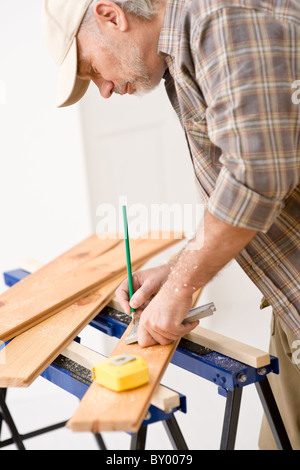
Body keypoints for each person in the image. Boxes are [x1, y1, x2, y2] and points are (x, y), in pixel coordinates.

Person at [42, 0, 300, 449]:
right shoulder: (179, 58)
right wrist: (175, 270)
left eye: (91, 68)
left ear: (111, 15)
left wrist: (182, 286)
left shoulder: (219, 17)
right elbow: (237, 192)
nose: (102, 89)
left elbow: (256, 178)